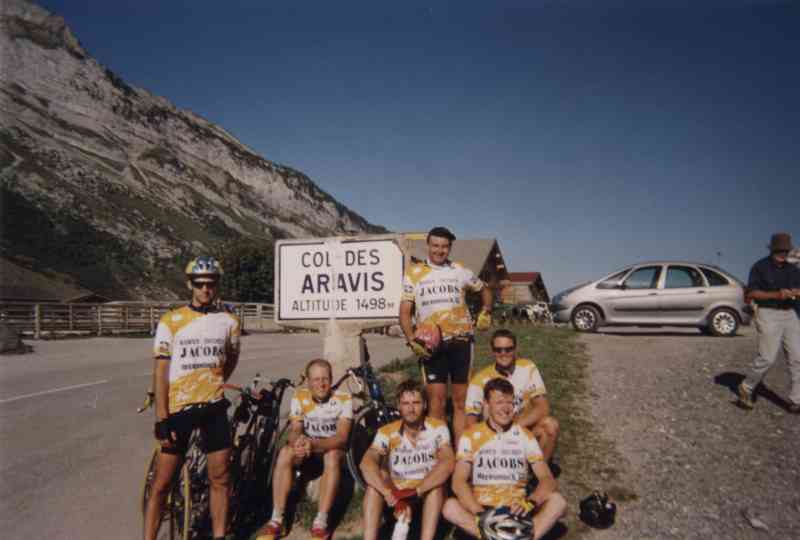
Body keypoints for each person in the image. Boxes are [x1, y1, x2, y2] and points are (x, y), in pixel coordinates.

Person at [144, 256, 241, 540]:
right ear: (190, 285)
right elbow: (161, 372)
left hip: (212, 407)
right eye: (199, 284)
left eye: (211, 283)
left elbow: (231, 358)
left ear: (217, 285)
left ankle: (219, 535)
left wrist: (214, 380)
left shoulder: (229, 321)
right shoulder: (170, 321)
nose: (205, 289)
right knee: (163, 483)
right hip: (178, 410)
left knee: (220, 478)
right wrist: (161, 418)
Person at [399, 226, 493, 444]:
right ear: (428, 246)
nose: (440, 250)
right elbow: (404, 312)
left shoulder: (460, 270)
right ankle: (439, 453)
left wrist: (486, 310)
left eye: (444, 246)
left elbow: (485, 290)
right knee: (436, 403)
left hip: (461, 341)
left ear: (449, 248)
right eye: (435, 245)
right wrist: (411, 339)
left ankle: (461, 455)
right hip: (432, 345)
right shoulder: (414, 273)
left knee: (461, 402)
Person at [443, 378, 566, 540]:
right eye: (499, 402)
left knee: (558, 502)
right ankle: (506, 535)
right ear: (486, 404)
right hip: (483, 507)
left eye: (510, 402)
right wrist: (480, 513)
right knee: (449, 507)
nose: (506, 408)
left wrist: (530, 502)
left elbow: (547, 479)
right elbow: (458, 481)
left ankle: (511, 535)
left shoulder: (524, 435)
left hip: (516, 508)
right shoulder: (471, 435)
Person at [257, 359, 353, 540]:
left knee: (332, 456)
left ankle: (320, 523)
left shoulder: (343, 398)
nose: (321, 384)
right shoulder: (300, 397)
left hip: (332, 449)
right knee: (285, 453)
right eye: (316, 379)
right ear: (308, 381)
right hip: (309, 449)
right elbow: (295, 430)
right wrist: (298, 442)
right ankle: (276, 520)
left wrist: (314, 444)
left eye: (325, 378)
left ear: (331, 379)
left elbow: (341, 438)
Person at [360, 379, 455, 540]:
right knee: (372, 488)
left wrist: (416, 491)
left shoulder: (438, 427)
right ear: (398, 406)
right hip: (396, 492)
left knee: (436, 487)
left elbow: (447, 462)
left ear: (425, 405)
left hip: (424, 490)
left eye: (416, 403)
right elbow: (366, 464)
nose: (411, 409)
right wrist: (388, 493)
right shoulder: (386, 432)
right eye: (405, 403)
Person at [465, 329, 560, 463]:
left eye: (508, 349)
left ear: (515, 349)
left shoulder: (528, 367)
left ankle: (536, 476)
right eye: (499, 350)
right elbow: (470, 421)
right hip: (493, 436)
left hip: (522, 429)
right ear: (492, 351)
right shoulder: (480, 379)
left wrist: (514, 429)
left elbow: (543, 408)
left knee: (550, 425)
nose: (503, 354)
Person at [738, 232, 800, 412]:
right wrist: (777, 294)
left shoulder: (793, 270)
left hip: (791, 314)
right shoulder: (760, 267)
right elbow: (752, 293)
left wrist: (795, 292)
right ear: (773, 249)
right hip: (768, 313)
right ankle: (747, 386)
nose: (783, 253)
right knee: (767, 357)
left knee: (797, 358)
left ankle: (796, 400)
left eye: (786, 250)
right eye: (780, 250)